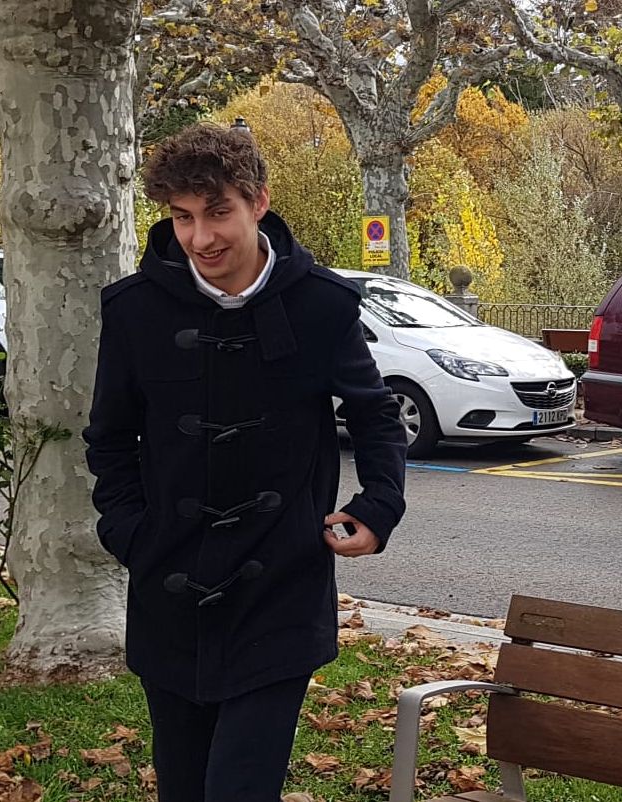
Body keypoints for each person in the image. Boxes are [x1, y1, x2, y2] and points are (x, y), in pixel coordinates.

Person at [83, 123, 407, 802]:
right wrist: (129, 533)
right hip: (168, 587)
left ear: (258, 202)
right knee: (183, 788)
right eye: (182, 217)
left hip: (279, 588)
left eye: (218, 212)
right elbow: (110, 439)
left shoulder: (320, 304)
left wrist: (378, 507)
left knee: (238, 788)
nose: (201, 238)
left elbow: (375, 414)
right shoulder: (134, 311)